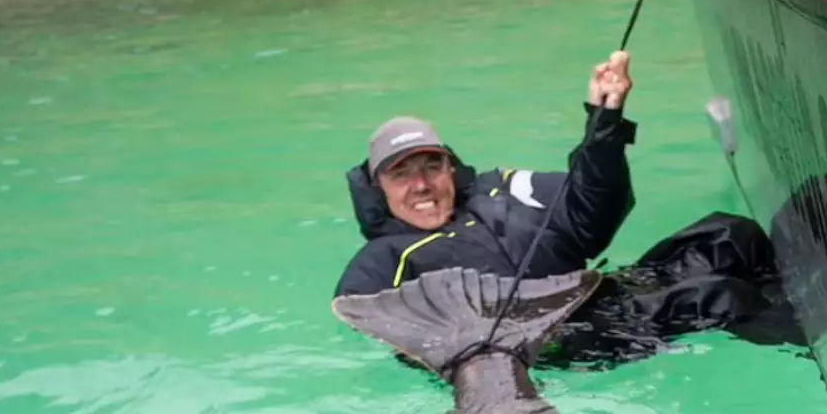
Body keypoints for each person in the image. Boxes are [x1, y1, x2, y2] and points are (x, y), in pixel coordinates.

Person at [335, 52, 801, 361]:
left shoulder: (501, 189)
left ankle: (816, 291)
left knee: (728, 234)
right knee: (723, 296)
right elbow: (372, 330)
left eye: (431, 166)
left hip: (607, 290)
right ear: (379, 189)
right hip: (565, 337)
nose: (420, 184)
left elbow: (590, 212)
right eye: (401, 174)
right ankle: (825, 346)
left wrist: (603, 123)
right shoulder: (382, 261)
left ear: (450, 167)